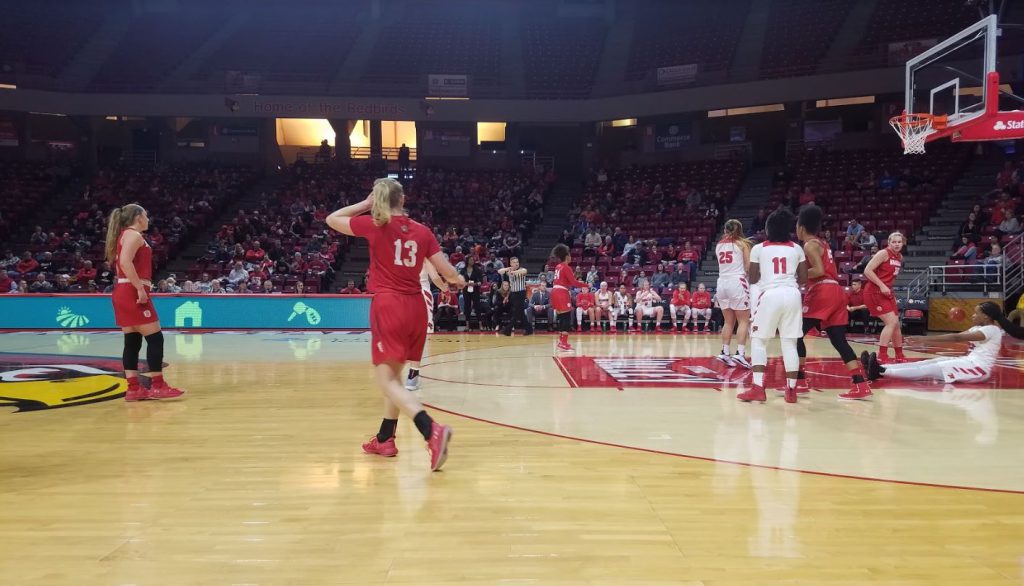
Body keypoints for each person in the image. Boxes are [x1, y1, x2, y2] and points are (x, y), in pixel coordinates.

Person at [326, 178, 464, 471]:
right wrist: (458, 280)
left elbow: (332, 219)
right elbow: (447, 272)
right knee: (394, 378)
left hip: (389, 305)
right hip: (416, 307)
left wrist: (365, 204)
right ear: (403, 199)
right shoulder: (423, 231)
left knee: (386, 381)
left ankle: (430, 429)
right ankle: (385, 438)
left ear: (378, 200)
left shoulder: (374, 225)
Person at [105, 204, 185, 402]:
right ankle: (157, 385)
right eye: (146, 215)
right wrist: (140, 288)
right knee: (155, 338)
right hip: (132, 291)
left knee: (132, 341)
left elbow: (122, 264)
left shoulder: (123, 235)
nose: (148, 219)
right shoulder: (133, 235)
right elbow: (125, 262)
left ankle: (134, 389)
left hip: (123, 290)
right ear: (138, 217)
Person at [796, 205, 872, 400]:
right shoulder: (822, 243)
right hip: (836, 292)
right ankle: (860, 384)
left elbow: (819, 270)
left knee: (795, 334)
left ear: (801, 227)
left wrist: (796, 273)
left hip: (823, 291)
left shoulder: (809, 244)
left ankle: (799, 381)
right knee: (838, 340)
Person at [737, 209, 808, 404]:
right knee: (790, 343)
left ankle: (758, 388)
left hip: (770, 294)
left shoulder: (759, 248)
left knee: (759, 340)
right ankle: (791, 391)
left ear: (768, 228)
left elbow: (753, 278)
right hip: (793, 294)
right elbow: (803, 278)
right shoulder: (797, 248)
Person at [862, 302, 1024, 383]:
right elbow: (955, 336)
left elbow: (956, 338)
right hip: (969, 362)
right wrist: (921, 342)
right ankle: (879, 366)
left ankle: (881, 372)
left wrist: (924, 339)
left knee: (929, 369)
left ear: (987, 317)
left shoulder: (992, 330)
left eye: (976, 313)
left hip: (978, 369)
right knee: (927, 362)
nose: (973, 316)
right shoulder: (978, 328)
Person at [863, 232, 906, 363]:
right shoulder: (883, 253)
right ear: (889, 243)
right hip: (874, 291)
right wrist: (882, 285)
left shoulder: (900, 257)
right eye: (894, 242)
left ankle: (899, 355)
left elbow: (890, 277)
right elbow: (867, 271)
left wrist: (888, 289)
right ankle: (881, 355)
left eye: (899, 242)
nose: (897, 244)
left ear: (903, 243)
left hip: (887, 292)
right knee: (891, 323)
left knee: (896, 325)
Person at [715, 219, 752, 368]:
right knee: (743, 320)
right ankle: (740, 354)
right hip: (737, 281)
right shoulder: (742, 244)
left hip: (722, 282)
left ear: (725, 230)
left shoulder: (718, 245)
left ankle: (724, 352)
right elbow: (748, 266)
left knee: (728, 321)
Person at [405, 261, 448, 391]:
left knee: (406, 334)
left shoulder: (399, 251)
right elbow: (434, 277)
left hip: (403, 294)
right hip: (422, 293)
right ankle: (413, 375)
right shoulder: (424, 254)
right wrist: (445, 290)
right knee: (424, 334)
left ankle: (397, 374)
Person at [550, 243, 589, 352]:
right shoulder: (566, 267)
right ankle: (564, 343)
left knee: (561, 316)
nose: (571, 257)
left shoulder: (558, 266)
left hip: (555, 291)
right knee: (566, 316)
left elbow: (566, 281)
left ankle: (561, 341)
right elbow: (574, 282)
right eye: (570, 255)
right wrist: (586, 285)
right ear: (567, 256)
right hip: (561, 292)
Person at [498, 257, 532, 336]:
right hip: (513, 294)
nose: (516, 263)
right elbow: (499, 271)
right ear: (511, 263)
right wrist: (508, 269)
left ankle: (507, 330)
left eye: (517, 262)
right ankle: (529, 329)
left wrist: (513, 272)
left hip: (520, 293)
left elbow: (524, 271)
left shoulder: (521, 270)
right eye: (514, 262)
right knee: (520, 313)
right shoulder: (509, 269)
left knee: (516, 313)